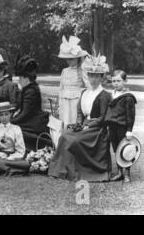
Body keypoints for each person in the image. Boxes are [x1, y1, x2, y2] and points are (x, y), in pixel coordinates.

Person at [48, 54, 112, 182]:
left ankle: (81, 170)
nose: (92, 79)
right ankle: (61, 170)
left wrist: (88, 126)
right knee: (65, 136)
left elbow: (102, 118)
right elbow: (79, 113)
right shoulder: (84, 92)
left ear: (101, 77)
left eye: (96, 76)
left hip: (97, 130)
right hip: (84, 126)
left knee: (75, 140)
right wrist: (79, 124)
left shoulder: (105, 95)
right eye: (90, 75)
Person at [10, 55, 49, 151]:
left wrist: (11, 122)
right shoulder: (28, 88)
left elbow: (25, 114)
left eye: (20, 78)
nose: (19, 80)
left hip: (33, 123)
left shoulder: (31, 91)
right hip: (29, 119)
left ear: (26, 78)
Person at [105, 70, 137, 182]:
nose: (116, 83)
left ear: (125, 81)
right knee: (116, 149)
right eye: (113, 81)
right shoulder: (112, 95)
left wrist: (129, 130)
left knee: (125, 149)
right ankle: (120, 173)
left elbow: (131, 115)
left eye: (118, 81)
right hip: (112, 126)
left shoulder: (128, 97)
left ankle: (127, 173)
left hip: (122, 127)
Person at [58, 36, 89, 128]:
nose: (69, 61)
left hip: (76, 99)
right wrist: (59, 104)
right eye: (68, 59)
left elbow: (88, 85)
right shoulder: (64, 71)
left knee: (74, 119)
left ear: (78, 59)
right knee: (65, 120)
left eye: (72, 59)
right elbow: (61, 88)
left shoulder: (81, 70)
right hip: (64, 100)